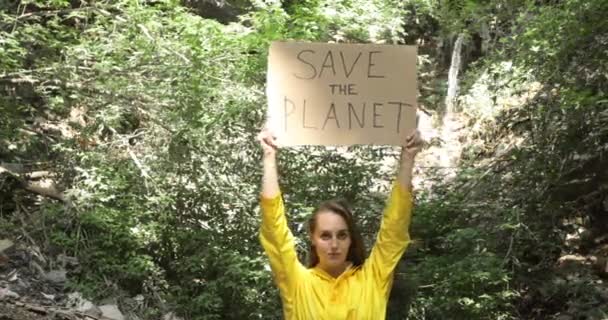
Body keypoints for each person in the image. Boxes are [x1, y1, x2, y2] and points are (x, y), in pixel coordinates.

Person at [258, 127, 422, 320]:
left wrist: (408, 158)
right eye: (325, 236)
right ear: (313, 239)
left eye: (342, 235)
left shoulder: (373, 279)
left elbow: (394, 230)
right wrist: (269, 157)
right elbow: (275, 233)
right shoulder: (297, 284)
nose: (334, 245)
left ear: (351, 239)